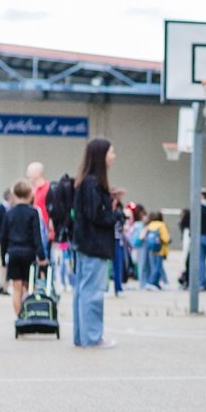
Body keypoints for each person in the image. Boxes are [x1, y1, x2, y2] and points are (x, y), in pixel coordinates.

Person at [71, 138, 118, 349]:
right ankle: (92, 337)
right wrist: (117, 215)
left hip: (85, 244)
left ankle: (82, 336)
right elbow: (97, 215)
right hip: (95, 244)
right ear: (101, 156)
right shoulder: (93, 183)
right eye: (111, 152)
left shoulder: (85, 182)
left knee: (82, 290)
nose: (113, 156)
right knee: (92, 292)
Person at [0, 181, 47, 317]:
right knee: (29, 286)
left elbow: (3, 238)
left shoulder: (9, 213)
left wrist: (3, 259)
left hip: (13, 252)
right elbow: (37, 236)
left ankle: (18, 317)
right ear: (30, 194)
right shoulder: (33, 213)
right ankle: (28, 313)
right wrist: (42, 256)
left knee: (16, 288)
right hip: (28, 252)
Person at [144, 212, 170, 290]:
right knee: (158, 267)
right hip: (160, 249)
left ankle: (156, 284)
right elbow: (166, 238)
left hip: (151, 249)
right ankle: (151, 282)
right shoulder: (161, 225)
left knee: (153, 266)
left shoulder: (150, 225)